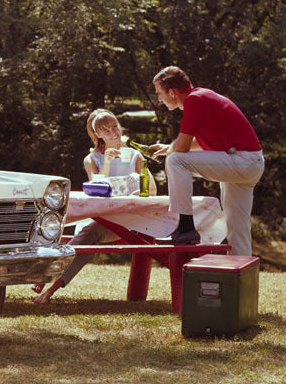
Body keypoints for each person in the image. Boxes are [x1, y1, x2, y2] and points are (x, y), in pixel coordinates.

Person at [33, 108, 152, 304]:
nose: (114, 133)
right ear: (97, 135)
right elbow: (97, 191)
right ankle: (48, 282)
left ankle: (48, 281)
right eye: (107, 131)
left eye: (115, 127)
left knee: (89, 235)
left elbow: (151, 189)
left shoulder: (135, 156)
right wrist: (106, 163)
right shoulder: (92, 160)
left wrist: (137, 193)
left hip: (129, 220)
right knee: (88, 236)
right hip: (103, 219)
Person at [149, 66, 264, 255]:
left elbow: (182, 148)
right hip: (249, 162)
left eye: (160, 94)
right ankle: (240, 279)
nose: (159, 99)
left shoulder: (194, 100)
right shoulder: (201, 96)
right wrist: (168, 147)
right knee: (237, 229)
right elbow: (192, 142)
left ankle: (186, 228)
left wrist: (171, 150)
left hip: (242, 161)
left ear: (172, 92)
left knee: (176, 160)